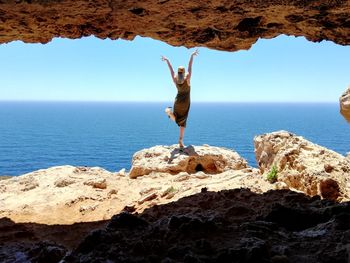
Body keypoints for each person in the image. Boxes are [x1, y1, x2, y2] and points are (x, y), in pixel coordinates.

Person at [161, 49, 199, 148]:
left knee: (178, 119)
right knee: (182, 122)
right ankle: (180, 140)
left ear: (178, 72)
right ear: (184, 72)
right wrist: (192, 55)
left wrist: (167, 60)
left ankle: (169, 113)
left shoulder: (175, 79)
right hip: (185, 103)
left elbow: (171, 70)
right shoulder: (188, 79)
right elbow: (190, 67)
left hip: (177, 101)